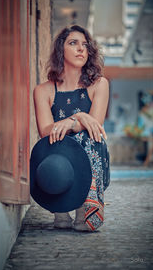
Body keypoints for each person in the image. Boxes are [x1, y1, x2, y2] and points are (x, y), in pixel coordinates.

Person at [33, 25, 110, 232]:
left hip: (91, 153)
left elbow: (94, 125)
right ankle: (60, 207)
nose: (81, 49)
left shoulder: (99, 84)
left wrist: (73, 120)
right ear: (61, 50)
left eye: (85, 45)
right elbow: (45, 132)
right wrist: (79, 117)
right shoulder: (43, 90)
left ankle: (85, 207)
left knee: (89, 137)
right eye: (73, 43)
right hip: (58, 156)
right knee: (51, 142)